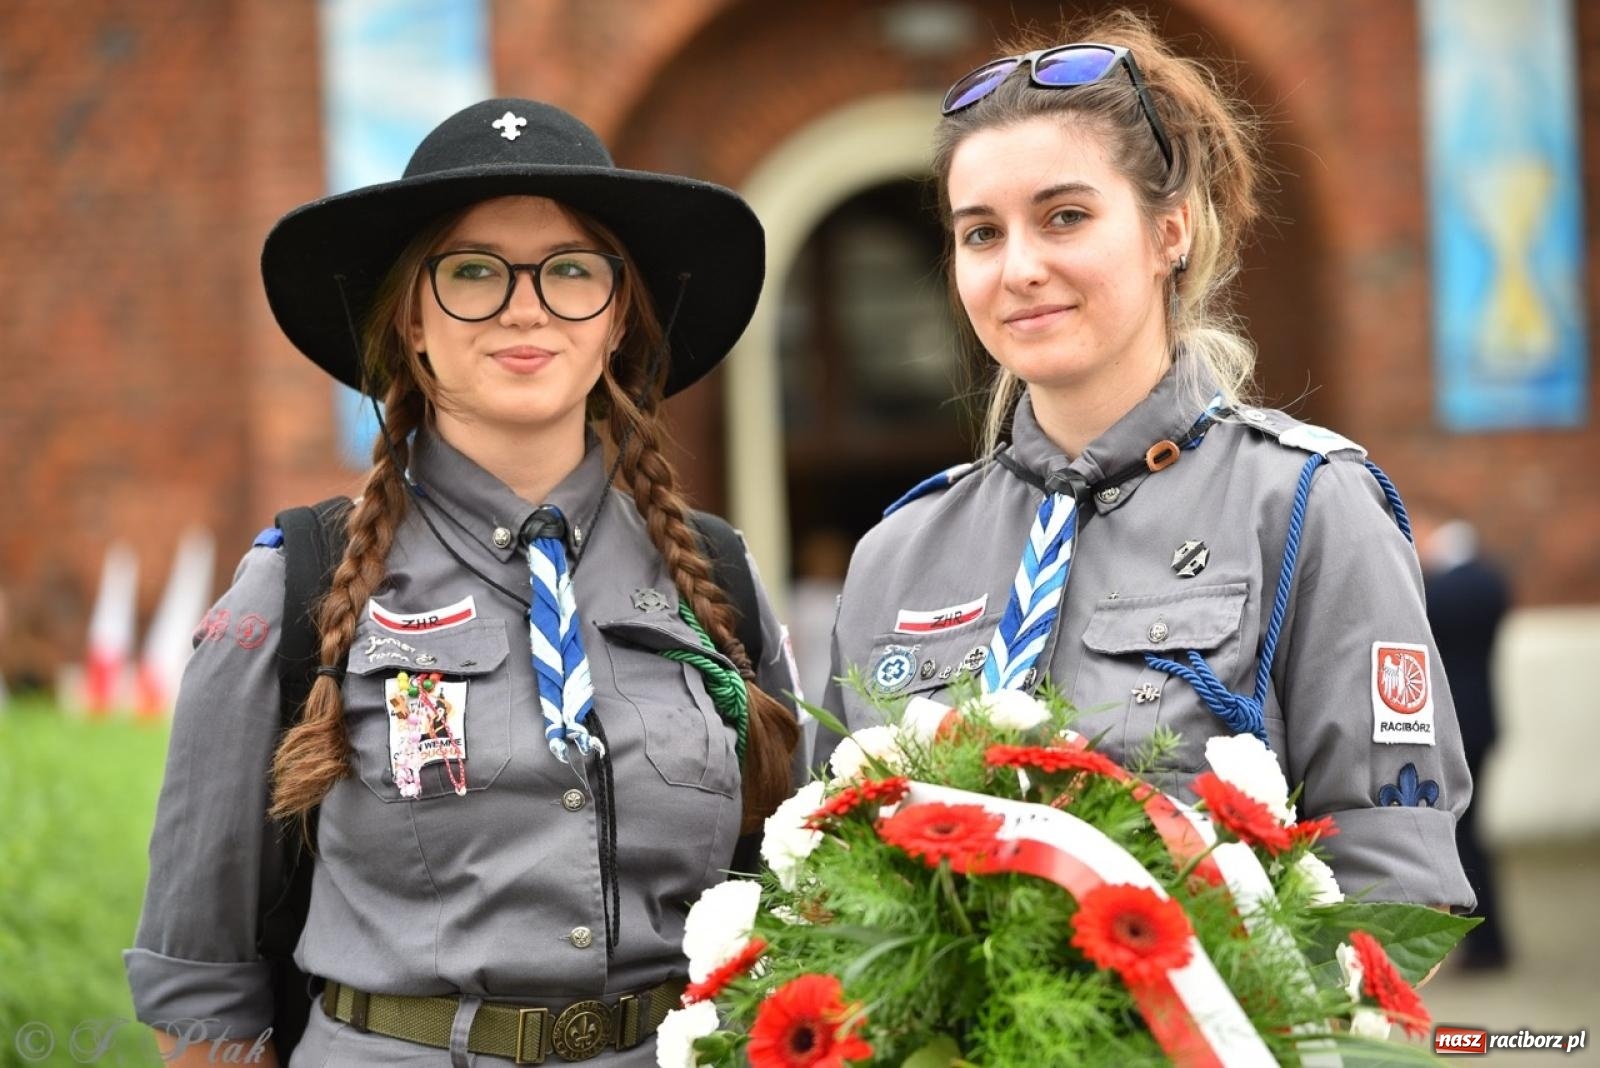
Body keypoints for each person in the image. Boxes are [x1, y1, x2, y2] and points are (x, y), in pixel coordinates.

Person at [125, 98, 802, 1066]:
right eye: (473, 272)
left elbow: (799, 881)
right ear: (411, 320)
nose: (524, 306)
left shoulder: (718, 579)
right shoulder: (298, 584)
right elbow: (201, 978)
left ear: (617, 318)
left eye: (571, 270)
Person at [817, 11, 1475, 912]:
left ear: (1171, 231)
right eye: (981, 233)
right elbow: (831, 879)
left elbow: (1395, 891)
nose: (1019, 268)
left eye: (1066, 217)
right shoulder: (897, 553)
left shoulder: (1306, 506)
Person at [1415, 509, 1512, 968]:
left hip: (1464, 727)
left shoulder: (1460, 585)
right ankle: (1482, 942)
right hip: (1476, 724)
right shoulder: (1479, 580)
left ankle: (1484, 945)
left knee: (1467, 838)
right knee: (1468, 837)